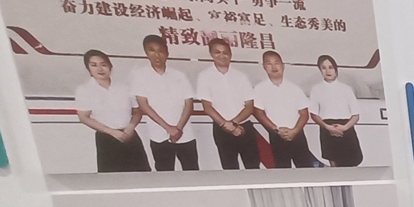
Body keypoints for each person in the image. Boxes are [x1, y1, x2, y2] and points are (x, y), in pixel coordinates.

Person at [131, 35, 199, 171]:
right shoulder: (139, 76)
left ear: (167, 53)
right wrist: (168, 128)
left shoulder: (179, 75)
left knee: (192, 171)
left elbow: (188, 104)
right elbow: (144, 105)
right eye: (152, 50)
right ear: (146, 52)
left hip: (184, 133)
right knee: (164, 174)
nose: (157, 55)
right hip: (158, 135)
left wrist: (178, 129)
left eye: (161, 51)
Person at [74, 50, 148, 172]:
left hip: (129, 135)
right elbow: (83, 117)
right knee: (111, 177)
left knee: (141, 175)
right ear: (89, 69)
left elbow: (137, 111)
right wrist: (111, 132)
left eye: (103, 64)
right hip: (106, 138)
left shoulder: (124, 87)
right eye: (94, 65)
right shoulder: (84, 90)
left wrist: (130, 128)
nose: (100, 69)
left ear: (110, 66)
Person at [195, 38, 260, 170]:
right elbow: (207, 107)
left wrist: (234, 124)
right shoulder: (204, 76)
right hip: (221, 129)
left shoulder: (240, 76)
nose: (222, 56)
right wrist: (226, 125)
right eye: (217, 52)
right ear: (211, 54)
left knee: (253, 168)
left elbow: (249, 106)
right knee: (230, 169)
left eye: (225, 52)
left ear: (230, 54)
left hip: (244, 128)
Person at [253, 51, 320, 168]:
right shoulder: (259, 89)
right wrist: (276, 129)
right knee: (282, 170)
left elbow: (304, 114)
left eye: (276, 63)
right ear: (264, 67)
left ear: (283, 66)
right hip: (277, 135)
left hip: (297, 134)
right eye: (269, 63)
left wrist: (295, 131)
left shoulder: (294, 88)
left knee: (305, 169)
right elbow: (258, 112)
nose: (274, 67)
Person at [309, 55, 364, 167]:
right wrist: (328, 127)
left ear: (335, 69)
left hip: (346, 128)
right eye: (324, 68)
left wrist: (344, 128)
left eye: (330, 67)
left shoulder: (346, 89)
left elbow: (355, 115)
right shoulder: (316, 89)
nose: (328, 71)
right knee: (335, 166)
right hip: (327, 129)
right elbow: (314, 114)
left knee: (352, 164)